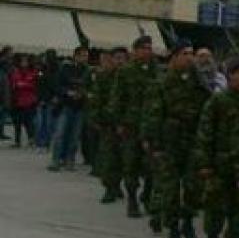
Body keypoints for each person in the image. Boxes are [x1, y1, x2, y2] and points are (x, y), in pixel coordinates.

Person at [141, 40, 212, 238]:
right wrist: (153, 143)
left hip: (192, 140)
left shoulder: (198, 81)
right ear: (174, 56)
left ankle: (187, 222)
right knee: (170, 188)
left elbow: (208, 109)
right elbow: (153, 114)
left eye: (192, 53)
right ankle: (173, 228)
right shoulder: (162, 82)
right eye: (185, 54)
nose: (190, 58)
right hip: (169, 141)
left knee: (193, 187)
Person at [192, 57, 239, 238]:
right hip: (220, 165)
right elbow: (205, 133)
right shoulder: (218, 101)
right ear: (231, 76)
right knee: (215, 209)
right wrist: (204, 163)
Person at [108, 36, 159, 219]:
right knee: (131, 163)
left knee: (153, 165)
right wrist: (119, 123)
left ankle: (147, 194)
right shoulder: (126, 71)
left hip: (151, 125)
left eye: (149, 48)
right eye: (144, 48)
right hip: (132, 125)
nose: (147, 51)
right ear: (135, 51)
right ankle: (132, 200)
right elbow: (117, 97)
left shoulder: (156, 70)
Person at [48, 46, 90, 171]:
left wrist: (83, 93)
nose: (85, 58)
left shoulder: (87, 71)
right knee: (60, 134)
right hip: (65, 105)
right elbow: (57, 85)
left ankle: (70, 160)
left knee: (74, 136)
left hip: (80, 107)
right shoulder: (65, 68)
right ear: (76, 56)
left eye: (86, 56)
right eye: (83, 55)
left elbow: (90, 86)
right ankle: (56, 160)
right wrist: (67, 92)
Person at [94, 47, 128, 200]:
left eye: (123, 58)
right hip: (108, 124)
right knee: (109, 157)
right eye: (117, 58)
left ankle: (118, 184)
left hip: (127, 125)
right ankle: (110, 187)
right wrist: (96, 119)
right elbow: (96, 99)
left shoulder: (130, 78)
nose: (120, 61)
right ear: (111, 59)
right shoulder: (104, 77)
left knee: (125, 159)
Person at [9, 54, 38, 148]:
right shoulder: (15, 72)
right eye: (22, 61)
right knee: (17, 122)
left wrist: (23, 84)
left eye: (25, 61)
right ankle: (17, 141)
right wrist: (22, 84)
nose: (24, 63)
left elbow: (34, 85)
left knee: (28, 122)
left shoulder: (33, 72)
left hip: (29, 101)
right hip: (17, 100)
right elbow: (13, 84)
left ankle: (31, 139)